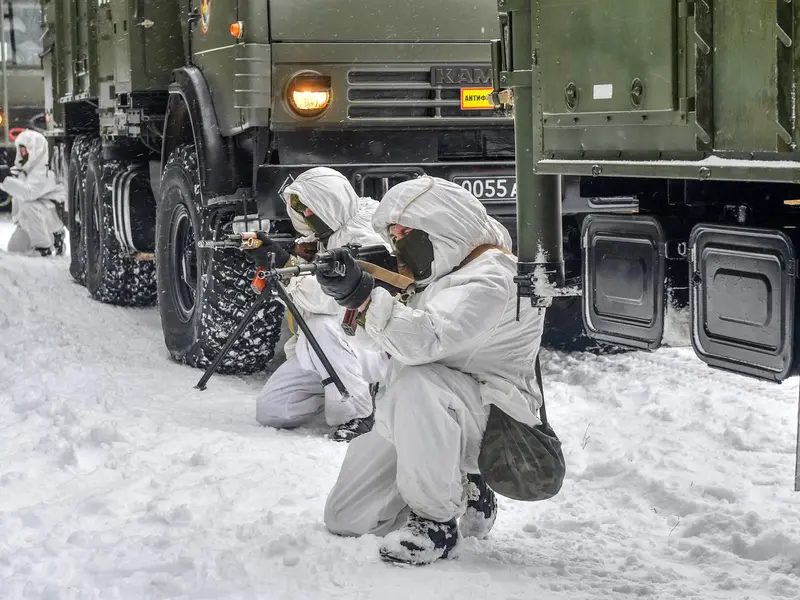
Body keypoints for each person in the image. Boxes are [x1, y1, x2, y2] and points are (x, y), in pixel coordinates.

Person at [316, 176, 547, 565]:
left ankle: (435, 523)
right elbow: (380, 343)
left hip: (494, 420)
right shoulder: (443, 271)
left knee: (416, 382)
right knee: (346, 517)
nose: (399, 243)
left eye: (404, 231)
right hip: (426, 415)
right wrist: (356, 293)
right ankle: (449, 483)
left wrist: (365, 294)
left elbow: (423, 341)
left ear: (440, 223)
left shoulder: (493, 277)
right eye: (393, 235)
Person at [246, 167, 391, 442]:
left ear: (331, 203)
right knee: (272, 410)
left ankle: (358, 412)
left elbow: (331, 301)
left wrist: (288, 266)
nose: (306, 217)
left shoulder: (365, 235)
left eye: (311, 209)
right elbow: (303, 299)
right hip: (328, 350)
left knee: (319, 325)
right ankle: (342, 384)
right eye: (301, 210)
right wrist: (288, 265)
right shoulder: (322, 236)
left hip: (370, 343)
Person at [0, 129, 66, 256]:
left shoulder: (47, 171)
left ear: (35, 149)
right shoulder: (24, 170)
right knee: (15, 249)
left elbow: (28, 193)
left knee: (28, 206)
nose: (21, 153)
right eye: (20, 150)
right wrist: (5, 179)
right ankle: (43, 238)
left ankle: (45, 246)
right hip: (29, 220)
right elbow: (16, 187)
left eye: (24, 149)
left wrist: (5, 180)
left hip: (51, 218)